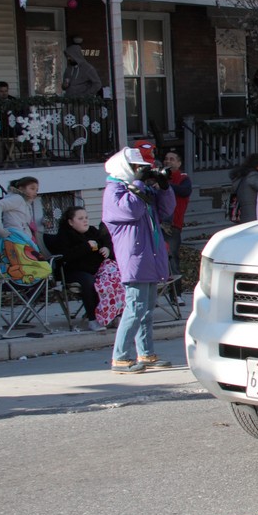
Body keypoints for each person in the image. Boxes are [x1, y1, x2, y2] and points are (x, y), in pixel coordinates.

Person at [103, 147, 176, 374]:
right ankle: (121, 357)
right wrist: (140, 185)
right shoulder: (114, 191)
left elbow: (166, 210)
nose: (139, 172)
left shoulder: (136, 189)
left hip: (150, 256)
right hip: (134, 257)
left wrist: (163, 187)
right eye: (135, 168)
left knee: (146, 310)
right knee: (135, 308)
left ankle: (146, 353)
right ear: (124, 168)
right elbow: (130, 211)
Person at [49, 206, 118, 331]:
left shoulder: (92, 231)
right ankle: (93, 319)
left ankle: (114, 315)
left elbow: (107, 242)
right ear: (71, 222)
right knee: (89, 281)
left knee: (115, 277)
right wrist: (86, 247)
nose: (85, 221)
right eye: (80, 218)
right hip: (72, 271)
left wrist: (107, 249)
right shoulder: (64, 235)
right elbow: (65, 257)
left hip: (96, 269)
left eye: (86, 218)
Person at [162, 150, 192, 305]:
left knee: (172, 258)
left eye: (172, 159)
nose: (168, 161)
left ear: (179, 163)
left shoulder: (183, 179)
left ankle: (176, 295)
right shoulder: (158, 176)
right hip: (157, 224)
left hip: (173, 226)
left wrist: (165, 183)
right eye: (166, 159)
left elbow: (184, 191)